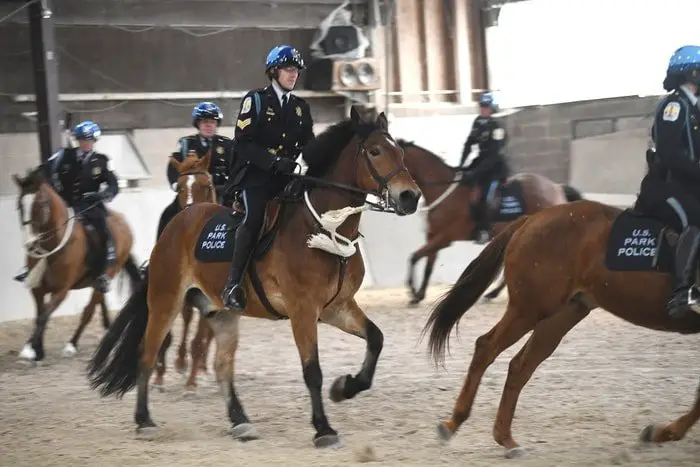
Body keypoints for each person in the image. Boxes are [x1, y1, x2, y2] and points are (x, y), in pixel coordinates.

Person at [220, 44, 315, 310]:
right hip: (256, 177)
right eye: (288, 69)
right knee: (254, 218)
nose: (293, 74)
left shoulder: (300, 108)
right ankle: (233, 285)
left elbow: (310, 146)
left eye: (296, 70)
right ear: (274, 71)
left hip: (287, 176)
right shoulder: (256, 100)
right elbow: (243, 142)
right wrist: (272, 161)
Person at [634, 44, 700, 319]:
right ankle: (681, 291)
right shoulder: (674, 106)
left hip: (691, 184)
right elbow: (671, 154)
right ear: (692, 72)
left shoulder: (695, 107)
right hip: (669, 186)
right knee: (696, 219)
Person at [14, 121, 119, 292]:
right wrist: (31, 181)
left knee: (103, 232)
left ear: (94, 141)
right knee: (41, 229)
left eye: (89, 140)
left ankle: (101, 274)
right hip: (65, 203)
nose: (85, 143)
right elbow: (44, 169)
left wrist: (106, 194)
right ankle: (30, 268)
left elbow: (113, 184)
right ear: (77, 140)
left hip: (90, 206)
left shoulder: (102, 161)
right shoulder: (63, 155)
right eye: (82, 140)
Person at [157, 101, 235, 238]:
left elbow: (234, 167)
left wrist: (230, 186)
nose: (209, 125)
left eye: (212, 122)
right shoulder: (186, 143)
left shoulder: (227, 144)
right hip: (192, 190)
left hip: (220, 190)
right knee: (168, 214)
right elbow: (173, 166)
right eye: (205, 122)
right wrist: (176, 183)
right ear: (198, 124)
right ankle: (159, 251)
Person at [458, 91, 510, 244]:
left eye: (486, 107)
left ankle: (485, 230)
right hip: (480, 161)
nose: (483, 109)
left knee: (487, 196)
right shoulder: (477, 122)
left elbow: (493, 155)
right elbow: (469, 144)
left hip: (494, 167)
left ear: (492, 108)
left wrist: (475, 172)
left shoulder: (497, 126)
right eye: (481, 106)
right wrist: (462, 165)